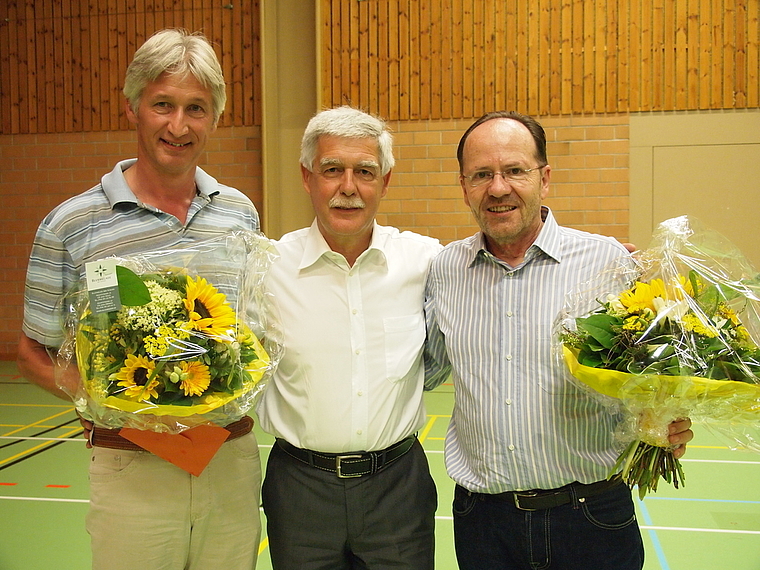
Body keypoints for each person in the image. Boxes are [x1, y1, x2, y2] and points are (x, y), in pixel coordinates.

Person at [17, 29, 263, 570]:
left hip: (230, 459)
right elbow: (33, 352)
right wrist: (111, 402)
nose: (179, 126)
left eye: (196, 108)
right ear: (133, 108)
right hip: (128, 462)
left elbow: (247, 332)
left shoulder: (240, 214)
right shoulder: (72, 223)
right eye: (163, 105)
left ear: (216, 117)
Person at [423, 111, 694, 570]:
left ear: (544, 178)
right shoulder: (445, 270)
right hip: (483, 523)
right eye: (482, 174)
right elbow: (422, 370)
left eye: (515, 171)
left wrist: (665, 416)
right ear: (464, 184)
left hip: (590, 517)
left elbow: (650, 370)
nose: (498, 188)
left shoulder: (608, 262)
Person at [256, 106, 442, 570]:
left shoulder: (427, 263)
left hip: (398, 490)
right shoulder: (266, 270)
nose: (348, 188)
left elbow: (503, 266)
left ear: (385, 181)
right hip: (299, 491)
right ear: (307, 177)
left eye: (365, 172)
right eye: (332, 170)